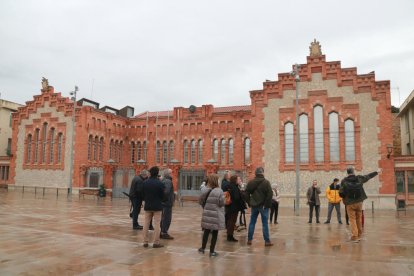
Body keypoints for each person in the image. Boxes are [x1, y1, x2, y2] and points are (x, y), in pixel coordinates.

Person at [339, 167, 380, 243]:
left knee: (352, 220)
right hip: (359, 202)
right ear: (353, 172)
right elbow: (368, 176)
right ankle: (359, 235)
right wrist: (376, 172)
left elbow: (341, 193)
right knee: (358, 218)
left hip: (350, 203)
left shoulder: (344, 181)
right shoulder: (359, 178)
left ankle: (355, 236)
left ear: (347, 173)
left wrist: (345, 198)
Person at [245, 167, 273, 246]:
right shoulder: (266, 182)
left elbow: (246, 193)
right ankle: (267, 241)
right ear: (262, 173)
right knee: (265, 224)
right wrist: (266, 205)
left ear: (256, 173)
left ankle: (249, 240)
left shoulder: (251, 182)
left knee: (252, 222)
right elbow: (270, 194)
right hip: (263, 206)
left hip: (254, 205)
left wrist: (249, 202)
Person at [198, 174, 225, 257]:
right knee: (215, 233)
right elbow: (221, 203)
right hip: (216, 214)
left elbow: (200, 201)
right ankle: (212, 251)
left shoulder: (205, 190)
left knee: (206, 231)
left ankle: (202, 248)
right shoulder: (219, 191)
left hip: (207, 213)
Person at [142, 166, 165, 248]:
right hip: (157, 206)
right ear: (157, 173)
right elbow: (163, 196)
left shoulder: (145, 182)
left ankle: (145, 242)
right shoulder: (160, 183)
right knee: (157, 224)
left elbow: (142, 194)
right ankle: (156, 242)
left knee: (146, 223)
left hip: (148, 205)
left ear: (150, 173)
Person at [225, 175, 244, 242]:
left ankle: (229, 235)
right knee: (232, 222)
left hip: (229, 206)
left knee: (230, 221)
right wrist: (241, 192)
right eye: (238, 179)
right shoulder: (234, 187)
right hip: (234, 207)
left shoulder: (229, 186)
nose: (240, 180)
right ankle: (230, 236)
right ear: (235, 180)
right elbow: (236, 198)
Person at [160, 168, 175, 240]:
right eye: (171, 173)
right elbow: (166, 192)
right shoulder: (168, 181)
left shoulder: (163, 180)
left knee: (163, 218)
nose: (172, 174)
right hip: (167, 203)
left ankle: (162, 231)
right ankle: (164, 232)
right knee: (167, 218)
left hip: (164, 203)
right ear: (168, 174)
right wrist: (165, 200)